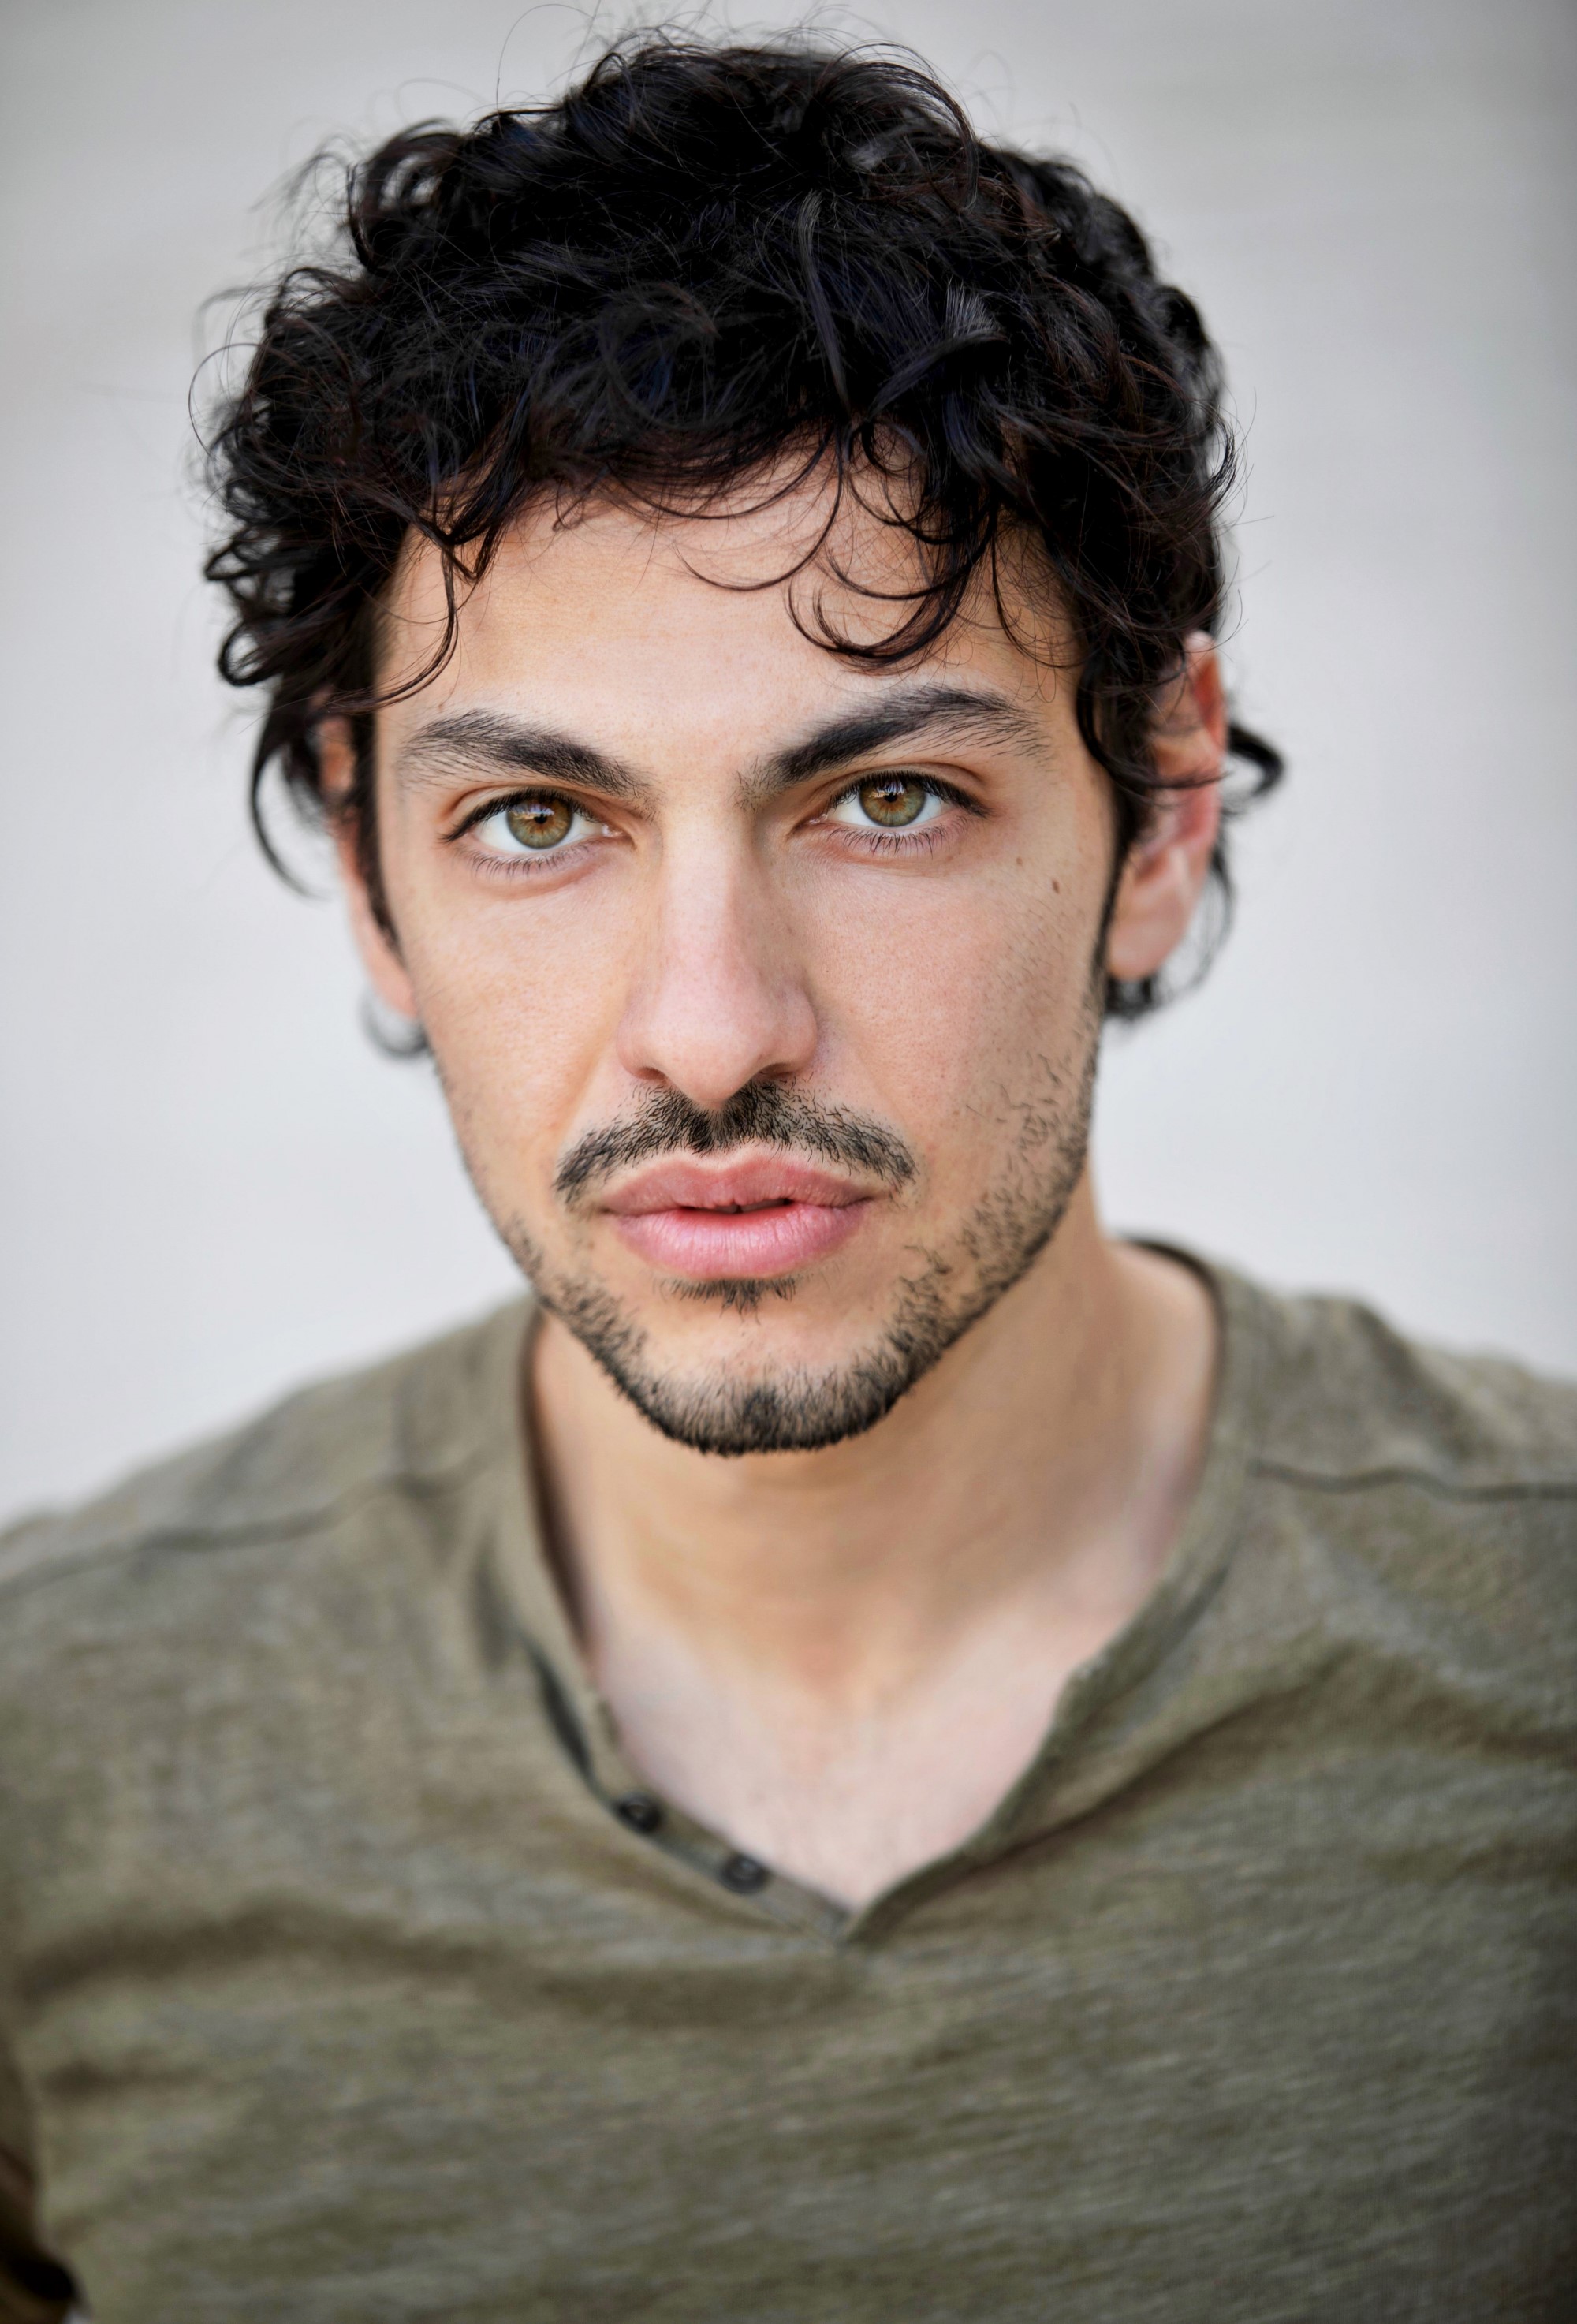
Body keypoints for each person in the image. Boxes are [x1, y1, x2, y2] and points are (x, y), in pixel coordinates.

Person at [1, 34, 1571, 2323]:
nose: (715, 1026)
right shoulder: (56, 1750)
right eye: (537, 820)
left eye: (886, 801)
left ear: (1160, 812)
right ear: (368, 874)